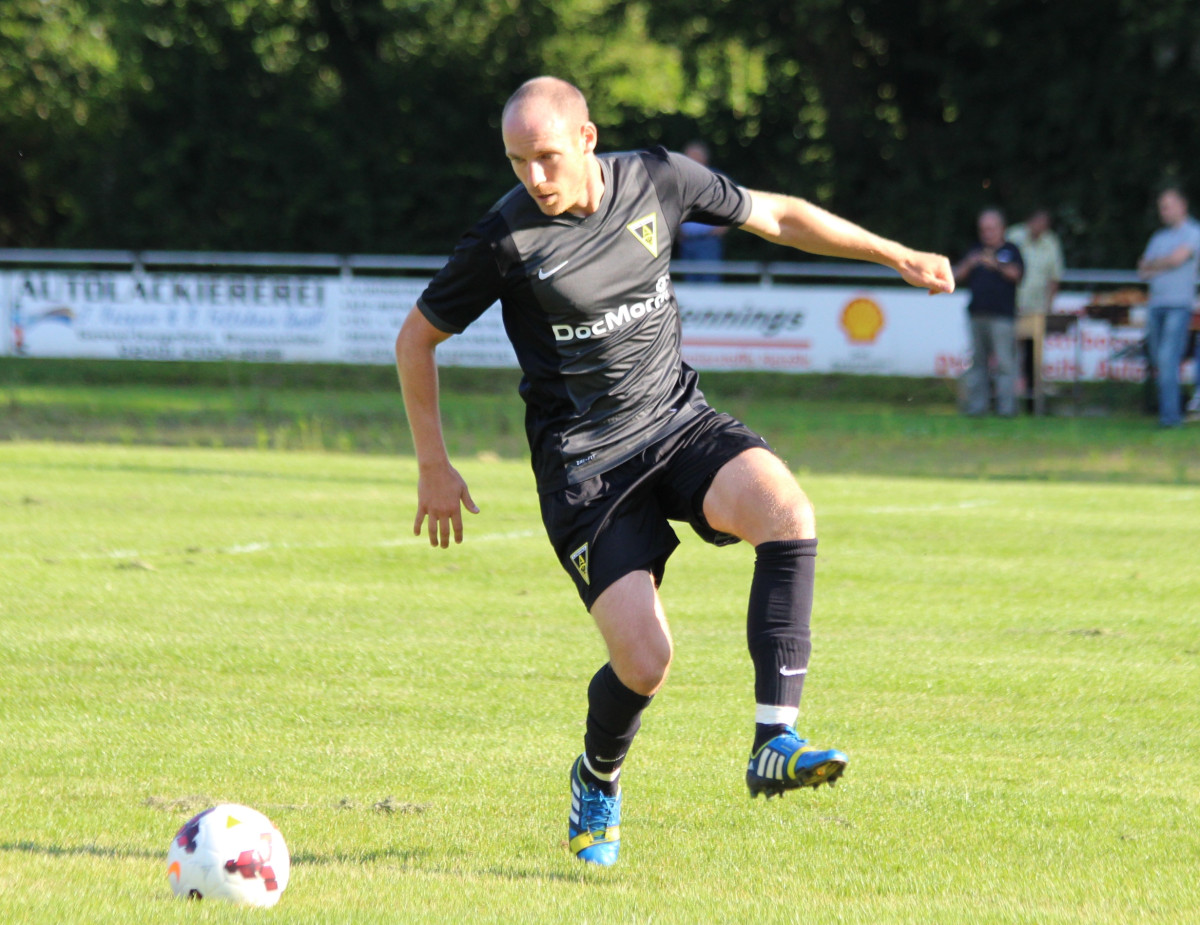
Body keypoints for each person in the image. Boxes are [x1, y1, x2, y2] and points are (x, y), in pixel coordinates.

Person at [394, 76, 955, 868]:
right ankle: (597, 776)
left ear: (587, 139)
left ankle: (774, 738)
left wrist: (892, 251)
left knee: (787, 512)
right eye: (517, 161)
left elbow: (778, 215)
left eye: (547, 157)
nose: (534, 177)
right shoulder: (505, 240)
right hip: (587, 469)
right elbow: (416, 338)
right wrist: (433, 464)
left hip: (677, 423)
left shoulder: (658, 179)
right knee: (646, 662)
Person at [1137, 187, 1200, 428]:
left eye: (1167, 206)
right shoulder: (1159, 237)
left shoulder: (1193, 232)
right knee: (1158, 360)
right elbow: (1142, 270)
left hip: (1178, 306)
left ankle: (1170, 417)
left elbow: (1177, 259)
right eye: (1161, 207)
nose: (1163, 211)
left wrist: (1156, 264)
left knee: (1167, 359)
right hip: (1156, 306)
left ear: (1182, 206)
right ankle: (1172, 409)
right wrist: (1164, 263)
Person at [953, 209, 1025, 417]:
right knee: (977, 364)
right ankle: (977, 408)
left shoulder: (1011, 250)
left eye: (991, 229)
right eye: (983, 229)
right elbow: (956, 276)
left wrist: (996, 265)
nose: (987, 233)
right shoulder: (975, 250)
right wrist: (970, 263)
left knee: (1004, 364)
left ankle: (1006, 410)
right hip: (977, 314)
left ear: (1002, 229)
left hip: (1002, 317)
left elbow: (1017, 275)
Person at [1007, 209, 1065, 414]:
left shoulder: (1051, 242)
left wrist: (1048, 306)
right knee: (1006, 356)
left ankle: (1033, 405)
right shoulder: (1013, 236)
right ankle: (1005, 402)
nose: (1041, 228)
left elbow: (1054, 277)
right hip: (1011, 307)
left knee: (1032, 360)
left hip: (1036, 311)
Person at [676, 141, 729, 281]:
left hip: (708, 242)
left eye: (693, 157)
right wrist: (678, 232)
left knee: (709, 286)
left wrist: (721, 229)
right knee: (689, 287)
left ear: (704, 159)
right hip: (687, 242)